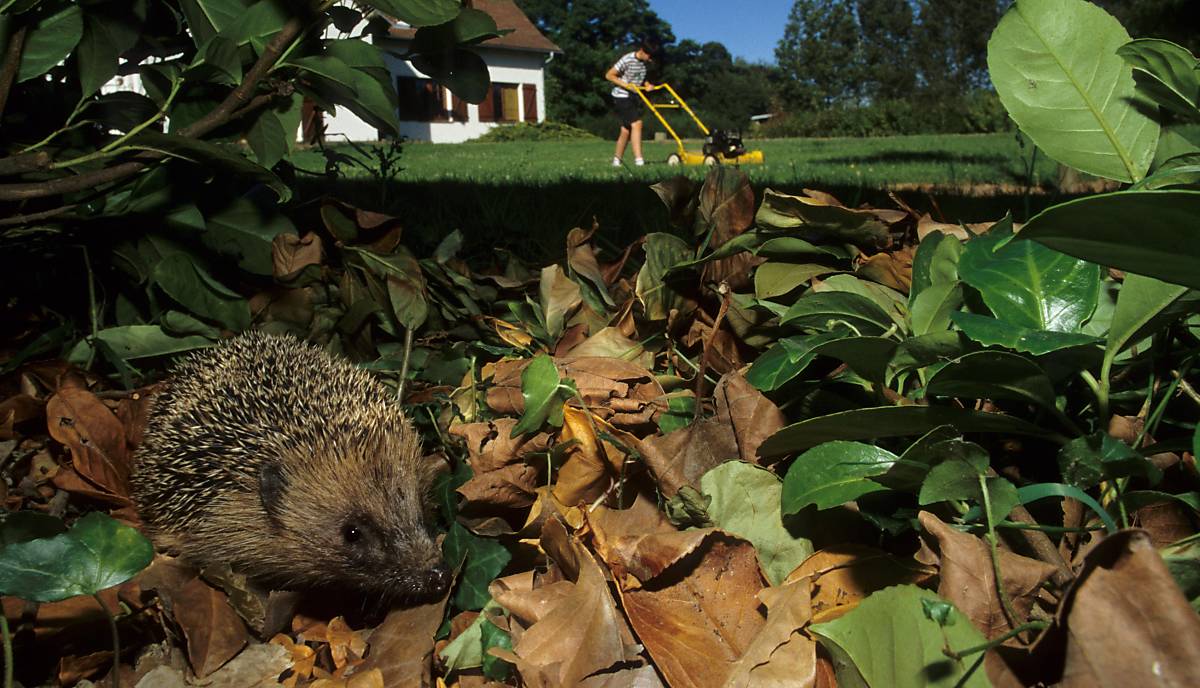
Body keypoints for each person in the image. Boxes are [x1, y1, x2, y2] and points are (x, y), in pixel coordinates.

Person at [606, 38, 659, 167]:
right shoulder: (627, 59)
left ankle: (616, 161)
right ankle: (639, 161)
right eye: (649, 55)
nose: (650, 59)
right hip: (621, 96)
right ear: (642, 51)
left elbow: (642, 78)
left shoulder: (645, 63)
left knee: (626, 130)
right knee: (637, 124)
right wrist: (626, 85)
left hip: (634, 97)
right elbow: (609, 75)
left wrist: (647, 85)